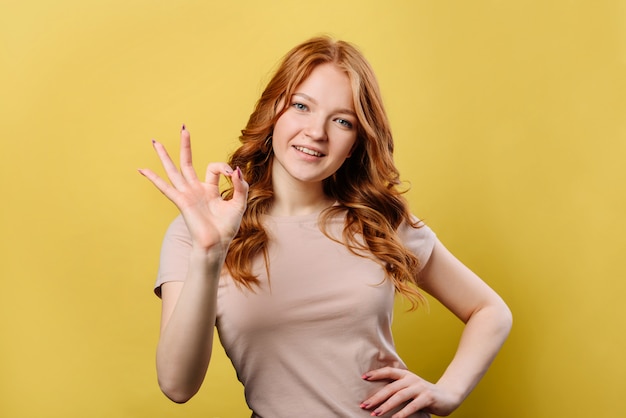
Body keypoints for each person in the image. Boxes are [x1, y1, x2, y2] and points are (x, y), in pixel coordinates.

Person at [139, 36, 512, 418]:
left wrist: (448, 392)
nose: (317, 132)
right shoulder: (199, 231)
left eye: (342, 121)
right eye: (301, 106)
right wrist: (208, 253)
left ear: (354, 142)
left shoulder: (378, 221)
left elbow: (490, 310)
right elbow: (177, 386)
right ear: (274, 114)